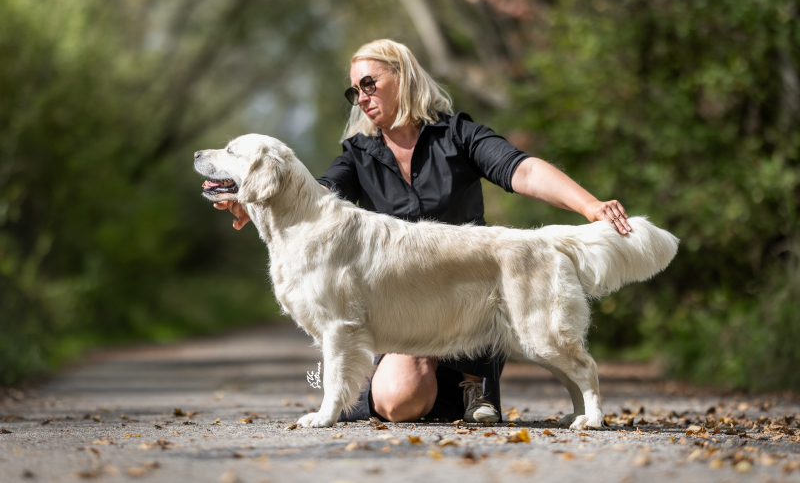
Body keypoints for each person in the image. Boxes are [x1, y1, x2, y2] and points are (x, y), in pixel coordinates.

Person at [215, 39, 631, 424]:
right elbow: (319, 194)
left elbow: (520, 170)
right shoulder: (358, 153)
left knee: (540, 339)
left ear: (404, 77)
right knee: (398, 402)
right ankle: (409, 389)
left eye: (369, 84)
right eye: (354, 91)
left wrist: (588, 205)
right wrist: (260, 197)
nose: (362, 97)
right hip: (409, 319)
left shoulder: (458, 134)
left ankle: (477, 388)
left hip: (470, 302)